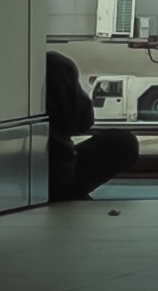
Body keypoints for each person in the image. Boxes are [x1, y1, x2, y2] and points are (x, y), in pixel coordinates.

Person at [46, 50, 137, 209]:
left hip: (26, 172)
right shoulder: (54, 65)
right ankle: (70, 194)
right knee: (123, 142)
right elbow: (83, 122)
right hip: (59, 173)